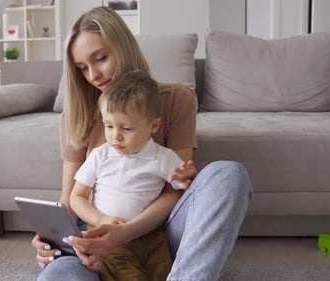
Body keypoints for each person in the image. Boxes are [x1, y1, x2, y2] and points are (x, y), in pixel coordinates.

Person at [33, 6, 252, 281]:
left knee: (228, 174)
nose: (93, 75)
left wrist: (126, 231)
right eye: (82, 69)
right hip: (96, 242)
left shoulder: (175, 100)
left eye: (100, 59)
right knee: (56, 277)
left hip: (158, 235)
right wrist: (48, 237)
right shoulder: (76, 116)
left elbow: (175, 190)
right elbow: (70, 199)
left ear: (123, 47)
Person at [71, 70, 192, 281]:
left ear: (153, 126)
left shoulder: (163, 157)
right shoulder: (101, 155)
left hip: (151, 236)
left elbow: (183, 190)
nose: (115, 136)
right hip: (106, 235)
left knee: (164, 273)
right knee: (128, 276)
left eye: (126, 128)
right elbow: (76, 197)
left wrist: (185, 181)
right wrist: (101, 219)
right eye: (108, 126)